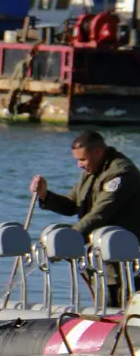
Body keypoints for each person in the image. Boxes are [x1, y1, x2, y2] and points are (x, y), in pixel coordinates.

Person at [30, 131, 140, 308]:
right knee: (104, 303)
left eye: (82, 160)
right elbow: (72, 205)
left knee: (119, 305)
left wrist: (69, 238)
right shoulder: (92, 170)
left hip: (123, 260)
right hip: (99, 258)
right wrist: (45, 195)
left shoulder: (120, 174)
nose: (79, 165)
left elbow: (99, 214)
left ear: (97, 152)